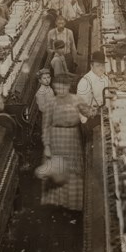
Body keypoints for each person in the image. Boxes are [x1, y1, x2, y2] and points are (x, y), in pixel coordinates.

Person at [41, 74, 93, 211]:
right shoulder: (50, 103)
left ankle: (74, 204)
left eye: (63, 88)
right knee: (58, 170)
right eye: (57, 88)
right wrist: (46, 146)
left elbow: (88, 112)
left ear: (68, 87)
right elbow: (45, 126)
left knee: (74, 170)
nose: (60, 91)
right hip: (56, 139)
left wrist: (96, 110)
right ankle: (59, 204)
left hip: (72, 138)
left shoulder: (77, 100)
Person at [77, 51, 110, 124]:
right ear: (91, 66)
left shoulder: (105, 78)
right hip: (90, 120)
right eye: (98, 66)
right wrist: (94, 112)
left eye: (102, 65)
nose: (101, 68)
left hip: (104, 114)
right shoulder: (85, 82)